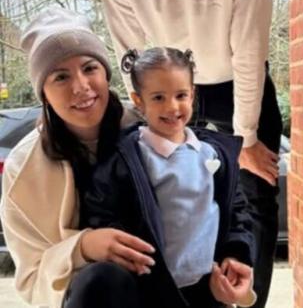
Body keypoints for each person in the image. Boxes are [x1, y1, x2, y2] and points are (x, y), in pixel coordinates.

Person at [98, 0, 283, 305]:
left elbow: (249, 51)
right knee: (167, 196)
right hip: (166, 87)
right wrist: (148, 111)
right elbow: (131, 55)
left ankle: (243, 297)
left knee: (253, 199)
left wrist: (248, 138)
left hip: (236, 83)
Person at [0, 8, 157, 308]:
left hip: (164, 277)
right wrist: (82, 247)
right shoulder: (22, 169)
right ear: (43, 93)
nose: (81, 87)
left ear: (105, 73)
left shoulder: (151, 128)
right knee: (102, 281)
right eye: (60, 77)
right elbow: (31, 279)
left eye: (89, 68)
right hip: (92, 295)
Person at [82, 47, 256, 308]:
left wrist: (235, 254)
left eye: (181, 95)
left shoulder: (215, 154)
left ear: (193, 94)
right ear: (138, 101)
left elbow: (237, 214)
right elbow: (103, 211)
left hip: (208, 289)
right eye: (159, 97)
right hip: (150, 290)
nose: (172, 107)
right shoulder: (127, 158)